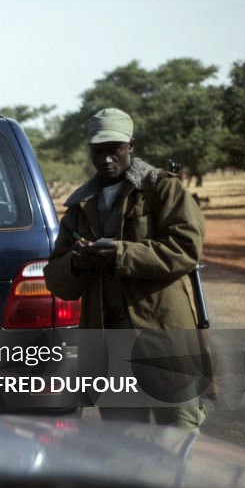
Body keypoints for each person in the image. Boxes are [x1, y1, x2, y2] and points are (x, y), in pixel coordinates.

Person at [43, 109, 207, 429]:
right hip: (109, 351)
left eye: (114, 149)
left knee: (178, 437)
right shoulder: (79, 206)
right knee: (123, 447)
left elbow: (186, 249)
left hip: (163, 341)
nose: (106, 159)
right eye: (99, 151)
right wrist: (76, 264)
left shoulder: (163, 189)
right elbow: (56, 280)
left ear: (131, 145)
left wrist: (121, 254)